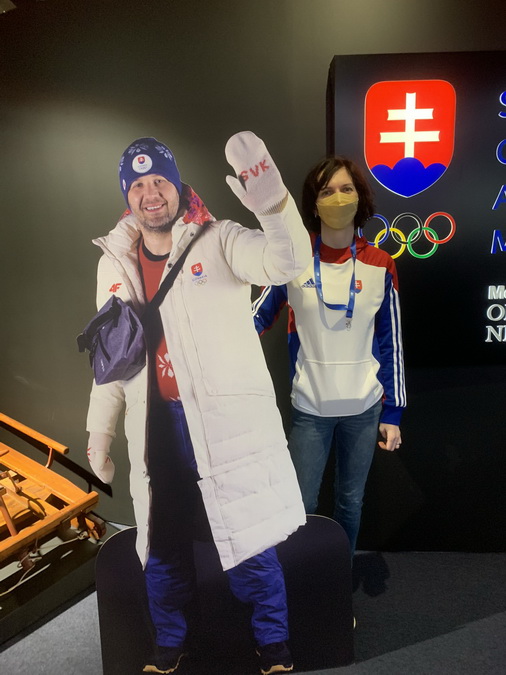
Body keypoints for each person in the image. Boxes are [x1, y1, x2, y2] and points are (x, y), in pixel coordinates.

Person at [85, 133, 312, 674]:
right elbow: (112, 356)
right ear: (127, 195)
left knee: (248, 537)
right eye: (138, 185)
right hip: (156, 426)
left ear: (177, 184)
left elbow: (287, 262)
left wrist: (274, 206)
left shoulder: (220, 239)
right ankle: (169, 644)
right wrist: (99, 431)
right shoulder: (114, 263)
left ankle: (274, 645)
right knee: (162, 544)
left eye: (159, 180)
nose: (150, 194)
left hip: (223, 423)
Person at [253, 156, 406, 559]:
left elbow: (391, 341)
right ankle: (302, 583)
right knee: (301, 505)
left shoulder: (380, 264)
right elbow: (256, 318)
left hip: (364, 408)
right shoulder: (293, 259)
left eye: (346, 189)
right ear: (314, 202)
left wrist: (394, 412)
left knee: (350, 503)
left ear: (360, 197)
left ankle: (338, 580)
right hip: (311, 408)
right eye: (326, 191)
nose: (337, 198)